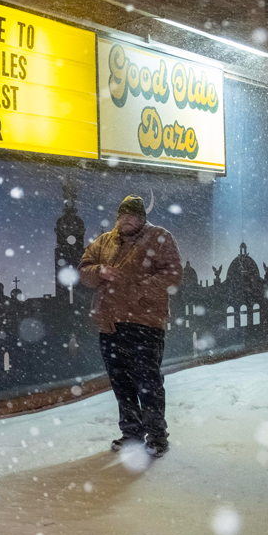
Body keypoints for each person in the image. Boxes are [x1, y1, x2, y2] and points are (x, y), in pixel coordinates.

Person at [78, 195, 182, 458]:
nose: (127, 220)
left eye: (133, 216)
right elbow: (84, 270)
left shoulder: (159, 237)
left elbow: (172, 274)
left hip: (145, 323)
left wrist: (137, 290)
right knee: (121, 383)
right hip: (110, 325)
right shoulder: (105, 241)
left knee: (148, 383)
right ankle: (131, 433)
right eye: (123, 215)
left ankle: (157, 437)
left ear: (142, 219)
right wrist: (99, 271)